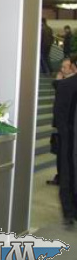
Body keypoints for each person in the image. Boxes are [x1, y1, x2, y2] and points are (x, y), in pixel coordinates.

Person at [52, 56, 77, 225]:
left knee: (67, 174)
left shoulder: (66, 85)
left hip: (68, 139)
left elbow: (58, 114)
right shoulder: (66, 84)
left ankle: (69, 211)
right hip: (69, 137)